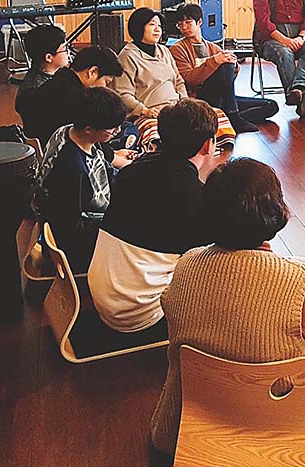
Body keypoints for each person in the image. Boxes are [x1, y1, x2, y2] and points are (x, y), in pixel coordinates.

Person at [150, 158, 305, 467]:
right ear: (276, 212)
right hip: (281, 420)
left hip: (195, 416)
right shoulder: (298, 279)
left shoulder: (187, 264)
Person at [88, 99, 218, 335]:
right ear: (208, 145)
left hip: (103, 296)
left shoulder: (131, 171)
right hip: (141, 314)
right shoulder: (196, 197)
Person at [112, 7, 235, 149]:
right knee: (156, 135)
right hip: (150, 113)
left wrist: (185, 102)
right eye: (152, 25)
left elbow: (178, 81)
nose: (157, 30)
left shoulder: (164, 51)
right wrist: (144, 110)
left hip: (175, 109)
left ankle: (206, 153)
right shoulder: (127, 56)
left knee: (216, 116)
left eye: (159, 26)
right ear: (138, 27)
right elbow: (123, 94)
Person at [33, 87, 126, 271]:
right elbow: (69, 227)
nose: (117, 131)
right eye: (112, 128)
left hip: (90, 220)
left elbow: (104, 170)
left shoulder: (68, 132)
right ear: (89, 128)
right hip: (76, 247)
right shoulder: (72, 169)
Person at [170, 2, 278, 133]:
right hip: (199, 97)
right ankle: (232, 114)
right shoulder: (177, 49)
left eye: (188, 22)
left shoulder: (213, 47)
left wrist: (234, 64)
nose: (184, 27)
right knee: (224, 64)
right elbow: (189, 80)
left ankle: (225, 119)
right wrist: (215, 61)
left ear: (199, 22)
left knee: (271, 106)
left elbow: (228, 81)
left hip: (223, 99)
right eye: (180, 24)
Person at [21, 45, 125, 145]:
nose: (106, 87)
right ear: (92, 72)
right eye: (106, 82)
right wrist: (112, 154)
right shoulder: (76, 98)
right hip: (57, 150)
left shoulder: (60, 80)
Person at [14, 24, 70, 126]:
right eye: (64, 49)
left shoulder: (58, 74)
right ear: (49, 57)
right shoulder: (35, 89)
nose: (68, 53)